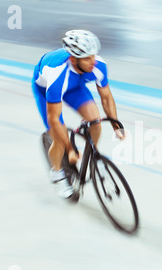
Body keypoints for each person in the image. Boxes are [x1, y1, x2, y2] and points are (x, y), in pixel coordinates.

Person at [32, 29, 122, 199]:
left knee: (95, 121)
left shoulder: (98, 65)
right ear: (73, 59)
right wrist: (70, 149)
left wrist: (116, 126)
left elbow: (106, 98)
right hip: (47, 91)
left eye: (93, 56)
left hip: (75, 86)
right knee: (58, 137)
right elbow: (55, 119)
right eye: (87, 58)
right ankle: (57, 174)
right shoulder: (57, 73)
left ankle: (92, 157)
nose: (93, 61)